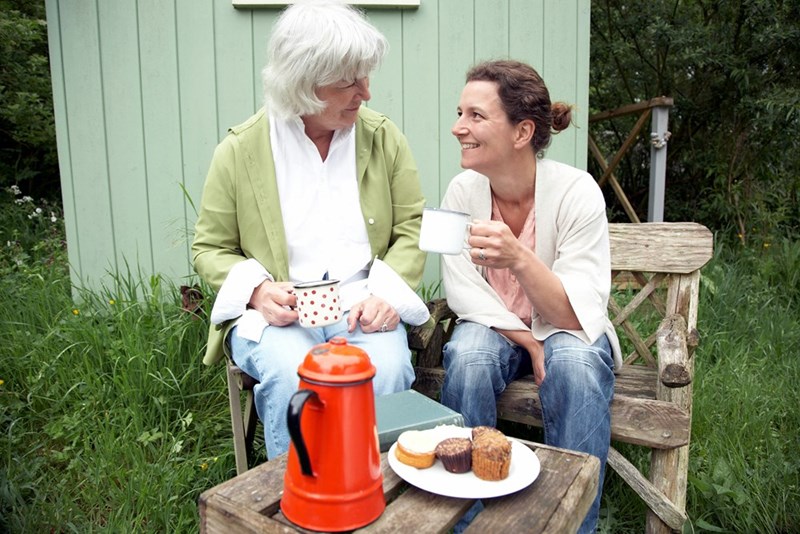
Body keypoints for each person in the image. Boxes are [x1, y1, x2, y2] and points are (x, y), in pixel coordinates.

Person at [191, 0, 429, 461]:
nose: (365, 93)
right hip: (280, 313)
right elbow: (210, 247)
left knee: (388, 369)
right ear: (302, 83)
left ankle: (372, 494)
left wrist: (386, 295)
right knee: (292, 374)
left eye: (365, 76)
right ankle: (298, 499)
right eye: (348, 81)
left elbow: (411, 226)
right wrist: (258, 290)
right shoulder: (240, 151)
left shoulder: (383, 138)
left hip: (363, 303)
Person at [439, 59, 622, 534]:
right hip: (501, 327)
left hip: (565, 326)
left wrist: (519, 257)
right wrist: (530, 343)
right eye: (460, 113)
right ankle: (469, 519)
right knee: (468, 356)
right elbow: (460, 287)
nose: (459, 127)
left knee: (576, 366)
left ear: (522, 132)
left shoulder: (577, 192)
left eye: (475, 116)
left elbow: (574, 312)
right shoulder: (462, 191)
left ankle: (571, 523)